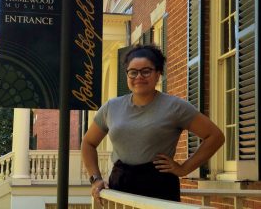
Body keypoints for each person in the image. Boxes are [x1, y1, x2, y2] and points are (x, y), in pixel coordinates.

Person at [81, 44, 225, 205]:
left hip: (159, 188)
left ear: (158, 74)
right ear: (127, 75)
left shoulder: (175, 106)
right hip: (120, 187)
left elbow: (215, 136)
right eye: (133, 72)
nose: (139, 77)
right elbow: (88, 143)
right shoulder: (111, 107)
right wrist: (95, 179)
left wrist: (184, 169)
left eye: (146, 71)